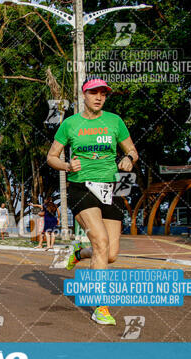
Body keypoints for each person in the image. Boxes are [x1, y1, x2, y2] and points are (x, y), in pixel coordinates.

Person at [46, 77, 139, 326]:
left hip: (112, 187)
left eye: (103, 93)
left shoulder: (114, 121)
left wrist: (128, 158)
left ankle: (80, 252)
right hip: (81, 186)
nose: (99, 97)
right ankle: (101, 305)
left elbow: (132, 150)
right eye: (94, 92)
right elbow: (51, 157)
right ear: (83, 95)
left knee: (110, 255)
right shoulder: (70, 125)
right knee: (101, 241)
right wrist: (66, 165)